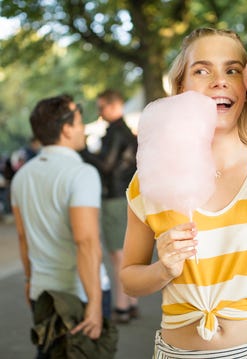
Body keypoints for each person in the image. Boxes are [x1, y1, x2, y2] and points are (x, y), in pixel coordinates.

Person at [121, 28, 247, 358]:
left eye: (233, 70)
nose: (219, 80)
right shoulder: (149, 178)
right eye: (202, 70)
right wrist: (162, 270)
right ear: (181, 87)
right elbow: (129, 280)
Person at [11, 95, 116, 357]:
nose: (82, 129)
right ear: (66, 129)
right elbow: (86, 242)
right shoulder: (81, 174)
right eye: (80, 122)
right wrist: (94, 302)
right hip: (78, 296)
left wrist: (28, 281)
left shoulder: (22, 176)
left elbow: (23, 238)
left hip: (42, 293)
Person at [81, 89, 139, 324]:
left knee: (118, 255)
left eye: (102, 106)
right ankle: (130, 304)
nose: (99, 111)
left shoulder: (116, 132)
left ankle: (122, 306)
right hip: (122, 195)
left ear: (115, 107)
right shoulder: (122, 131)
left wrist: (82, 150)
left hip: (115, 197)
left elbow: (106, 165)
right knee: (123, 254)